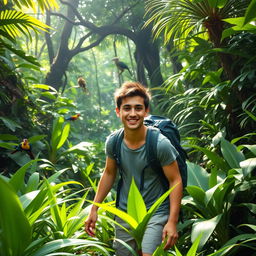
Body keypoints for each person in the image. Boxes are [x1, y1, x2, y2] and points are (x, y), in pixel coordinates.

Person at [85, 81, 183, 256]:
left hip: (156, 211)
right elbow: (109, 173)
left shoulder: (159, 144)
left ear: (146, 112)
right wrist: (94, 208)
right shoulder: (113, 142)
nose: (132, 113)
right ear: (118, 112)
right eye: (127, 108)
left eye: (138, 108)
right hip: (125, 212)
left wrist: (172, 221)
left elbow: (175, 180)